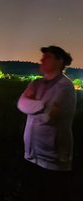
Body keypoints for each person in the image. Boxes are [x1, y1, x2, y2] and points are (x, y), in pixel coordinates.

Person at [17, 45, 77, 199]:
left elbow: (50, 117)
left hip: (53, 162)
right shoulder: (37, 83)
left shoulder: (65, 87)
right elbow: (21, 104)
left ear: (60, 61)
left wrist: (33, 105)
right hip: (31, 156)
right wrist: (43, 105)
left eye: (48, 56)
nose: (42, 59)